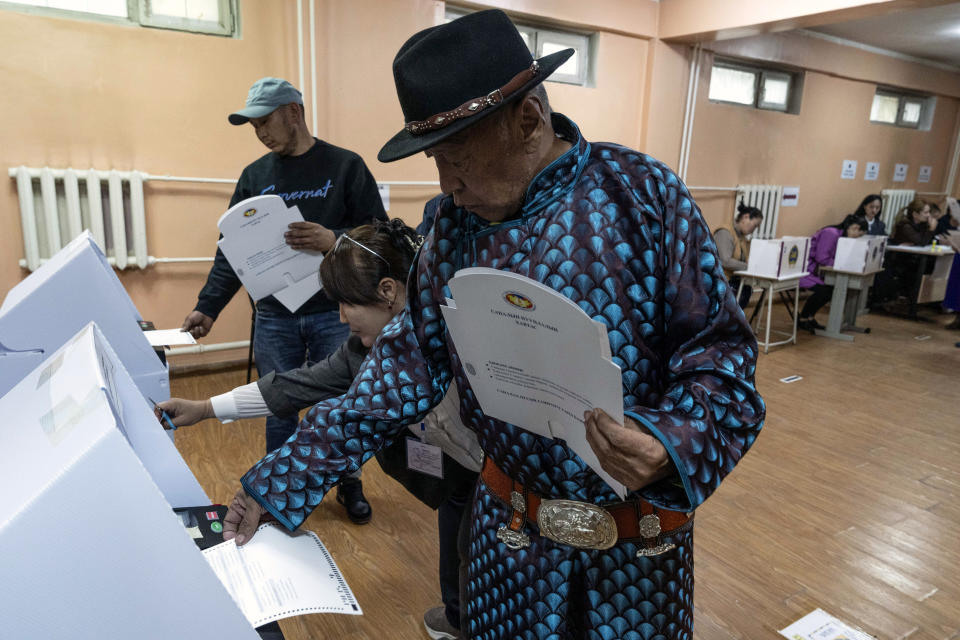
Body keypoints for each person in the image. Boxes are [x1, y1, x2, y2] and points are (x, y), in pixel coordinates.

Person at [220, 11, 764, 640]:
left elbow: (722, 361)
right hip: (509, 550)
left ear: (528, 120)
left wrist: (670, 442)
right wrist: (280, 481)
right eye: (434, 162)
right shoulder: (451, 228)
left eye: (457, 159)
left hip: (637, 556)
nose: (446, 187)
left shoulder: (644, 197)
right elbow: (403, 367)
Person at [163, 219, 481, 638]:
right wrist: (205, 407)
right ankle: (457, 616)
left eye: (348, 302)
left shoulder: (461, 333)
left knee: (479, 555)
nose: (341, 316)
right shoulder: (360, 353)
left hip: (497, 473)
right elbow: (296, 386)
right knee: (456, 536)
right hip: (454, 471)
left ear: (387, 292)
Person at [181, 77, 387, 524]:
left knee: (344, 405)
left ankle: (348, 484)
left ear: (294, 112)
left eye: (265, 122)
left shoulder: (344, 166)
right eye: (253, 127)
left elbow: (382, 237)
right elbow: (230, 251)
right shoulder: (255, 176)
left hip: (336, 311)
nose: (261, 134)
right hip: (275, 316)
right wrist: (208, 306)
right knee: (279, 403)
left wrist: (334, 239)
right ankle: (277, 491)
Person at [796, 215, 867, 332]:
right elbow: (821, 258)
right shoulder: (831, 233)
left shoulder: (840, 236)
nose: (856, 238)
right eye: (858, 235)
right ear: (855, 228)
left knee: (830, 288)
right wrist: (842, 264)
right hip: (804, 269)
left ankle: (809, 317)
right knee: (824, 290)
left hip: (815, 270)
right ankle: (803, 318)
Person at [714, 202, 764, 308]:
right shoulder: (725, 232)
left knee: (747, 288)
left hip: (732, 280)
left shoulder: (742, 237)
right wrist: (749, 267)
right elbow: (725, 261)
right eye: (755, 226)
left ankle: (734, 321)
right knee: (744, 290)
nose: (753, 230)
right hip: (720, 281)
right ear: (745, 217)